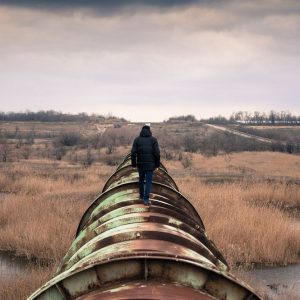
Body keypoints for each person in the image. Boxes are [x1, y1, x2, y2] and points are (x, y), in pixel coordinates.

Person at [131, 123, 160, 206]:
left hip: (140, 164)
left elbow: (133, 153)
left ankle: (141, 195)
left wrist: (133, 165)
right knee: (148, 182)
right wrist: (157, 165)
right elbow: (157, 153)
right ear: (149, 131)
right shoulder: (153, 140)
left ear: (141, 131)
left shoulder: (137, 140)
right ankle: (146, 199)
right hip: (150, 165)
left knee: (141, 180)